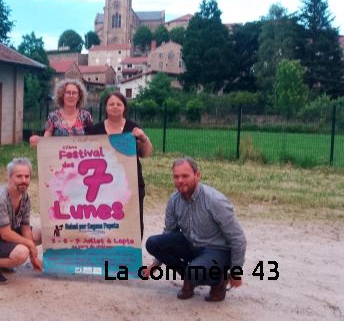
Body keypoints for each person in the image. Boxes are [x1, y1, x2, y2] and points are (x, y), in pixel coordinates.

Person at [143, 157, 247, 302]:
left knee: (194, 270)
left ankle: (219, 282)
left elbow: (238, 239)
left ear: (197, 176)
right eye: (176, 176)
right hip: (192, 244)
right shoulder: (174, 200)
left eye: (185, 176)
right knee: (153, 243)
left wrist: (236, 271)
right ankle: (189, 277)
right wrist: (155, 265)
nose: (180, 180)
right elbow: (169, 233)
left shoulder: (215, 201)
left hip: (217, 250)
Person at [86, 91, 152, 239]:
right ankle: (108, 255)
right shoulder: (95, 130)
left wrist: (144, 138)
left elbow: (145, 153)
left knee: (133, 219)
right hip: (102, 185)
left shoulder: (133, 128)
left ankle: (131, 256)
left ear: (124, 107)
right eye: (111, 104)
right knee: (105, 219)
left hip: (131, 183)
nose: (115, 107)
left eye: (118, 104)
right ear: (105, 107)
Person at [29, 79, 92, 148]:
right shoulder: (53, 116)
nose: (71, 96)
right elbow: (46, 141)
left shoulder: (86, 116)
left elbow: (93, 140)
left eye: (74, 93)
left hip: (80, 157)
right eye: (68, 92)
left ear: (79, 96)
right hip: (58, 157)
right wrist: (38, 142)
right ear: (62, 95)